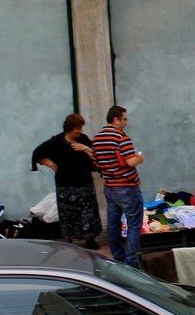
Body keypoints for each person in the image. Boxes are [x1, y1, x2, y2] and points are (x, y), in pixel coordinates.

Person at [31, 113, 102, 249]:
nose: (80, 130)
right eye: (77, 128)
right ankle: (69, 238)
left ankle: (90, 239)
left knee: (88, 212)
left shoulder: (83, 139)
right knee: (68, 213)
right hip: (66, 185)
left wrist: (84, 148)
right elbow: (37, 153)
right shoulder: (56, 142)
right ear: (70, 128)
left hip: (84, 183)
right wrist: (52, 165)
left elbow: (97, 155)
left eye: (80, 127)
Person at [92, 105, 145, 267]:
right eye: (124, 119)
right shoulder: (121, 137)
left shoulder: (97, 139)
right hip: (127, 187)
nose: (126, 122)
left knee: (113, 224)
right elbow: (131, 161)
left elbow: (96, 164)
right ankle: (131, 262)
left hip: (110, 187)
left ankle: (118, 257)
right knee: (134, 224)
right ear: (116, 120)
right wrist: (140, 157)